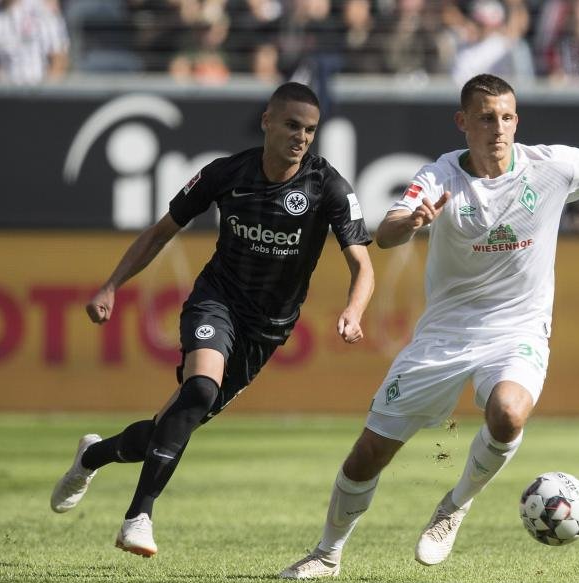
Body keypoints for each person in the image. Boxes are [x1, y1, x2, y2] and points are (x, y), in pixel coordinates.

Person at [279, 73, 579, 579]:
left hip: (519, 329)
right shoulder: (441, 175)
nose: (499, 128)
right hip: (446, 334)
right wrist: (414, 221)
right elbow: (387, 235)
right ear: (463, 122)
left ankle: (455, 506)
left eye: (507, 117)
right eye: (487, 118)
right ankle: (327, 554)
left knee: (509, 413)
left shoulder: (550, 166)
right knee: (369, 455)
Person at [50, 82, 375, 558]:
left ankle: (91, 456)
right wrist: (111, 285)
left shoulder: (329, 187)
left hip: (268, 329)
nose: (300, 136)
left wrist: (354, 309)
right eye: (290, 124)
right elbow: (161, 232)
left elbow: (362, 264)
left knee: (170, 426)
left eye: (309, 129)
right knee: (200, 387)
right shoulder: (226, 173)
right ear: (267, 121)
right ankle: (138, 517)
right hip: (216, 299)